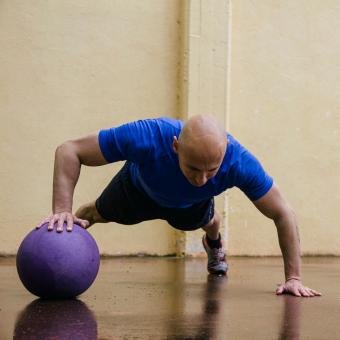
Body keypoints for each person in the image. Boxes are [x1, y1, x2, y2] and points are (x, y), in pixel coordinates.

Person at [37, 115, 321, 297]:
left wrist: (293, 277)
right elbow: (69, 150)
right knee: (93, 213)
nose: (201, 178)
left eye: (211, 170)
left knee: (209, 221)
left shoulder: (239, 162)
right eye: (193, 168)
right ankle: (66, 235)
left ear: (224, 153)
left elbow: (283, 212)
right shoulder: (149, 135)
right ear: (175, 146)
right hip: (137, 189)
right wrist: (62, 207)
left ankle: (214, 243)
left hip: (188, 207)